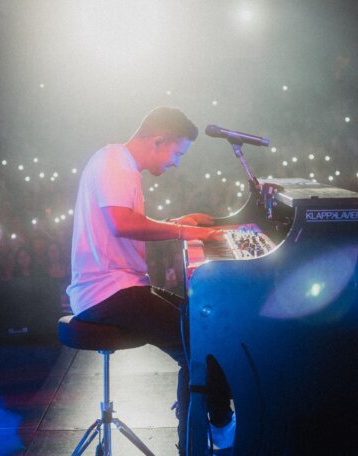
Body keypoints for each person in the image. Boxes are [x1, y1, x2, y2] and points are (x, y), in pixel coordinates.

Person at [66, 106, 234, 455]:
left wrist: (177, 220)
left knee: (200, 323)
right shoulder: (115, 164)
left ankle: (204, 413)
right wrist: (184, 230)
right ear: (158, 140)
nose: (176, 163)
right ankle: (212, 428)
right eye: (177, 152)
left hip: (117, 287)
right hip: (106, 292)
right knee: (198, 345)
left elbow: (123, 222)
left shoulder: (118, 163)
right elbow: (121, 224)